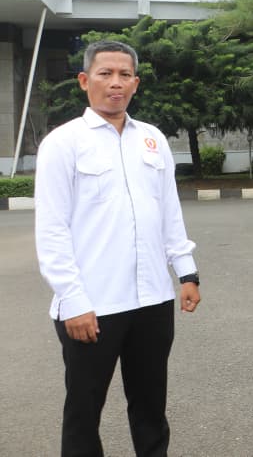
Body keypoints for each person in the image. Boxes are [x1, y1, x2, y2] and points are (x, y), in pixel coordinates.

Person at [35, 40, 201, 457]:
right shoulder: (63, 143)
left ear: (135, 83)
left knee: (150, 408)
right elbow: (52, 230)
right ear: (84, 80)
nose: (116, 83)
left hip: (152, 301)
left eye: (124, 75)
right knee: (83, 412)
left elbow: (168, 211)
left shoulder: (152, 139)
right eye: (105, 73)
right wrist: (73, 301)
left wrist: (186, 272)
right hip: (94, 304)